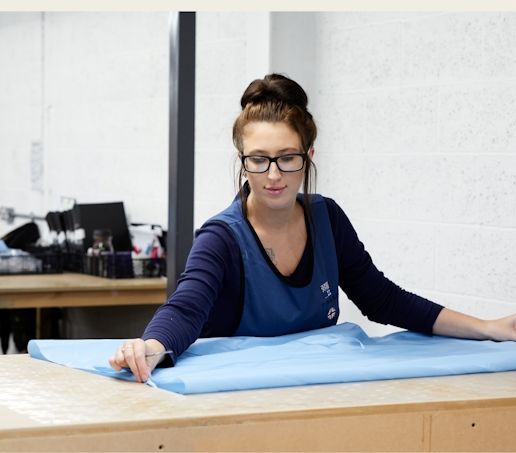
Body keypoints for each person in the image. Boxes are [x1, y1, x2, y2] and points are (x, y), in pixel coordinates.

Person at [109, 74, 516, 384]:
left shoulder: (327, 218)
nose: (273, 175)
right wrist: (151, 348)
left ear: (308, 156)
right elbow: (187, 308)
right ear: (241, 159)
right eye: (258, 159)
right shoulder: (221, 237)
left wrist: (488, 328)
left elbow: (383, 299)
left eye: (287, 158)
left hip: (318, 391)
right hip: (239, 396)